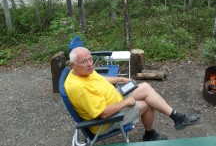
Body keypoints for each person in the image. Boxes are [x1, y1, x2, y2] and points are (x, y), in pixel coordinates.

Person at [65, 47, 201, 141]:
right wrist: (126, 102)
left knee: (146, 87)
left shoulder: (82, 72)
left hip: (113, 98)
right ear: (73, 65)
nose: (90, 64)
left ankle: (177, 117)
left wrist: (120, 79)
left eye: (90, 59)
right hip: (107, 120)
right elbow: (104, 113)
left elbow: (100, 79)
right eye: (84, 61)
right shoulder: (79, 88)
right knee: (148, 103)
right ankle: (149, 134)